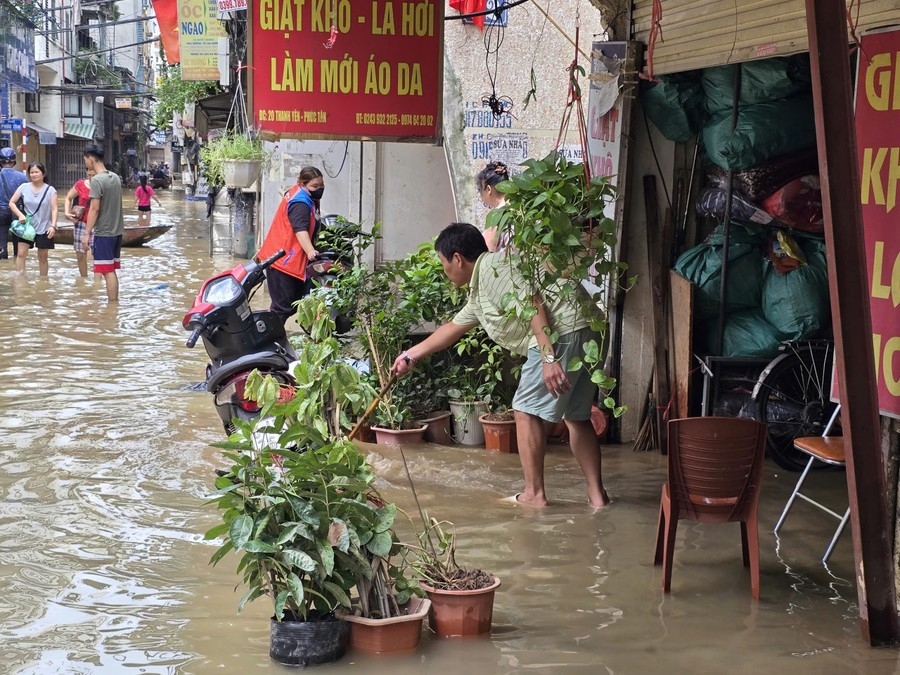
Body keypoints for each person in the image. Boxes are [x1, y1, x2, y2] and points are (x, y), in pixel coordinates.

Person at [390, 223, 609, 509]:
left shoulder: (494, 267)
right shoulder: (484, 284)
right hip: (586, 330)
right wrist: (410, 355)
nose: (445, 273)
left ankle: (534, 494)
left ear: (457, 258)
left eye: (444, 265)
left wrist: (548, 357)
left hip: (561, 334)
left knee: (525, 410)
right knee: (576, 416)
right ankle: (597, 497)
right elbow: (453, 328)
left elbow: (532, 302)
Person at [255, 166, 324, 324]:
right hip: (282, 260)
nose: (319, 189)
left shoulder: (301, 194)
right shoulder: (300, 203)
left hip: (284, 257)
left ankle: (273, 337)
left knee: (291, 305)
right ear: (301, 183)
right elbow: (300, 229)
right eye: (315, 186)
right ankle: (269, 340)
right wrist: (311, 251)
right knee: (282, 308)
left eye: (321, 186)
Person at [82, 143, 125, 302]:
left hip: (104, 233)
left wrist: (87, 233)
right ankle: (113, 307)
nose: (85, 163)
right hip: (117, 232)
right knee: (111, 270)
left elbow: (94, 209)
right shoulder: (115, 177)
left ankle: (112, 306)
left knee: (107, 271)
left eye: (86, 160)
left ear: (91, 159)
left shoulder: (97, 181)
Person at [8, 162, 58, 276]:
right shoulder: (24, 187)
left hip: (45, 228)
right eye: (31, 172)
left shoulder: (51, 190)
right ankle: (20, 280)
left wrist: (53, 226)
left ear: (43, 174)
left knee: (43, 257)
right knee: (21, 254)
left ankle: (43, 282)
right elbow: (11, 203)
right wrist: (20, 215)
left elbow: (54, 209)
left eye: (37, 172)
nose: (34, 175)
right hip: (26, 228)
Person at [64, 168, 96, 278]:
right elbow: (68, 197)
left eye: (94, 175)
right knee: (80, 256)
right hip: (81, 224)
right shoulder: (81, 185)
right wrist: (67, 212)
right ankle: (84, 279)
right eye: (90, 174)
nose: (91, 177)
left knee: (98, 256)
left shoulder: (104, 186)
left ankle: (97, 282)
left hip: (98, 224)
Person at [0, 147, 28, 260]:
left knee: (1, 240)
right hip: (17, 212)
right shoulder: (22, 177)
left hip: (1, 213)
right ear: (14, 162)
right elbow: (26, 197)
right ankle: (18, 263)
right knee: (18, 242)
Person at [476, 160, 510, 252]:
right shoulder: (519, 208)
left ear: (488, 189)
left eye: (480, 190)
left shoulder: (495, 216)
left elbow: (489, 251)